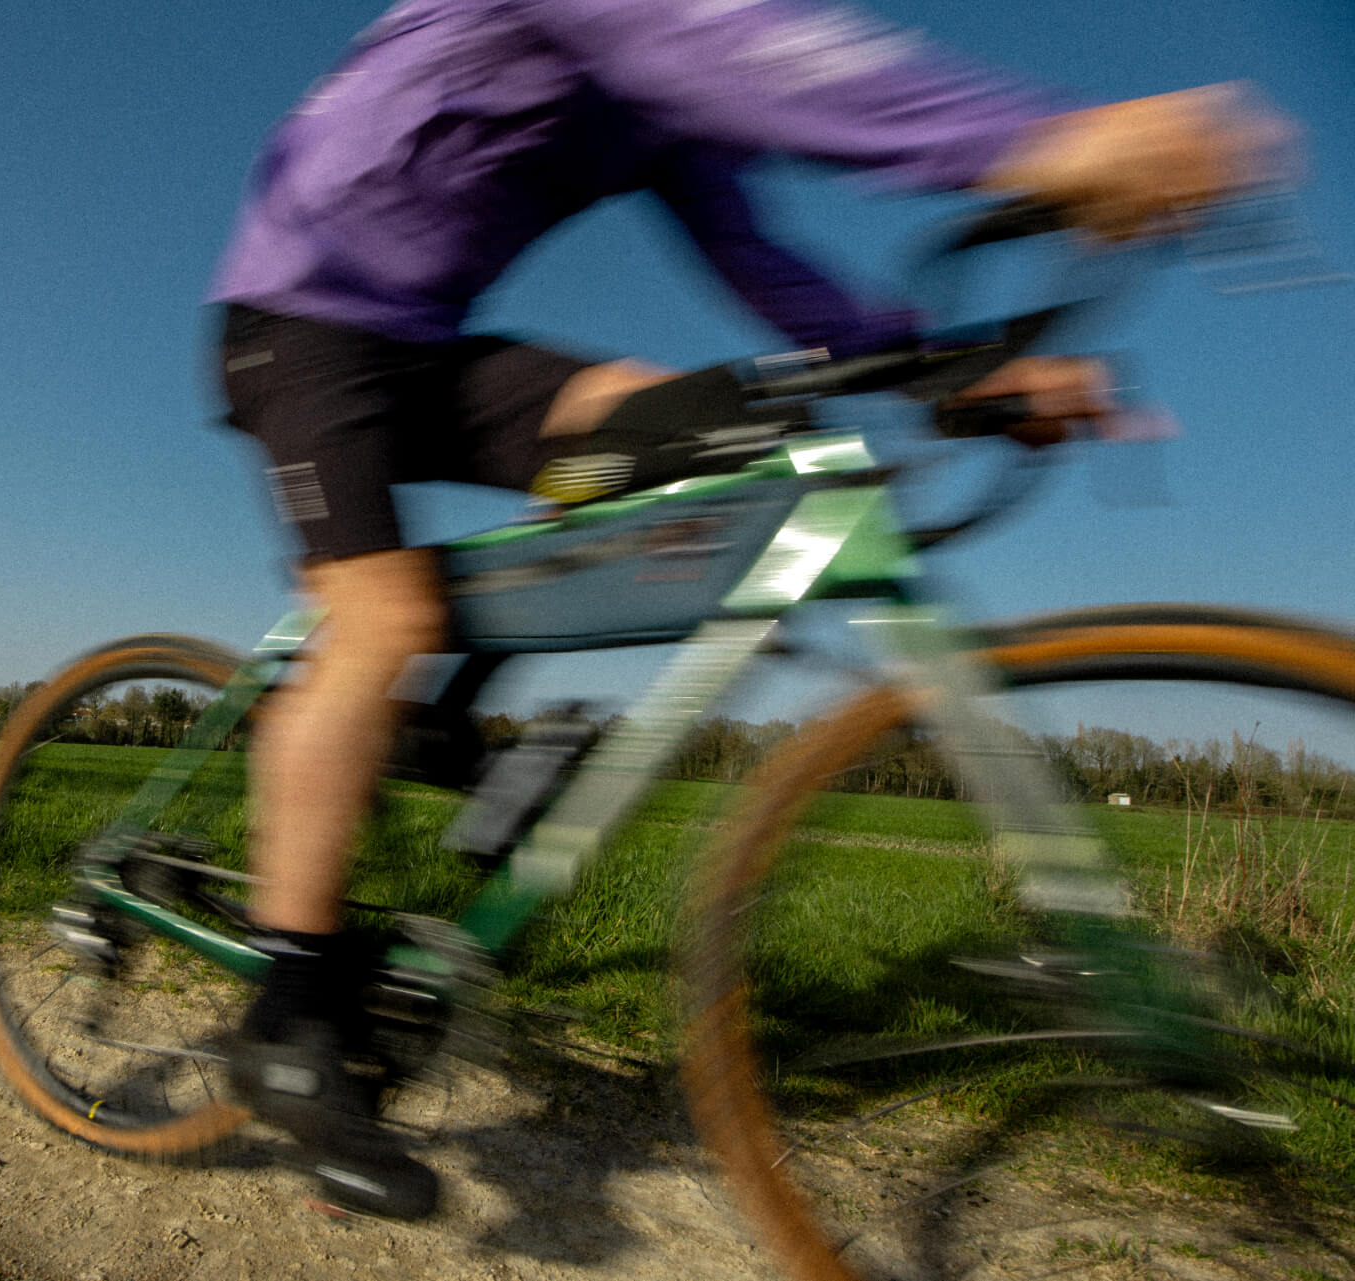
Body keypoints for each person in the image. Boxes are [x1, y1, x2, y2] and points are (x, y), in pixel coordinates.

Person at [207, 0, 1288, 1219]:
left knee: (718, 431)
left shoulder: (671, 100)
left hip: (424, 347)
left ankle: (434, 719)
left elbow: (759, 256)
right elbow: (764, 61)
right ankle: (287, 1011)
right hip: (299, 321)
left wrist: (957, 370)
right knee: (382, 617)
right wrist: (1044, 139)